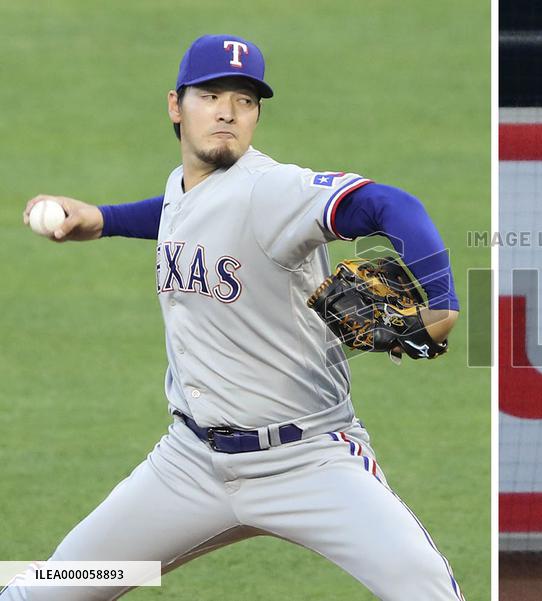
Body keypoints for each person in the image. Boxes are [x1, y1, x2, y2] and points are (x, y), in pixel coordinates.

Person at [4, 34, 463, 601]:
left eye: (245, 101)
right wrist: (102, 219)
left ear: (256, 116)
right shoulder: (186, 186)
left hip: (310, 462)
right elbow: (183, 212)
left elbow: (393, 205)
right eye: (212, 95)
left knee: (427, 593)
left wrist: (443, 301)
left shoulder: (273, 189)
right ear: (177, 106)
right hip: (190, 467)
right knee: (46, 592)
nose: (228, 111)